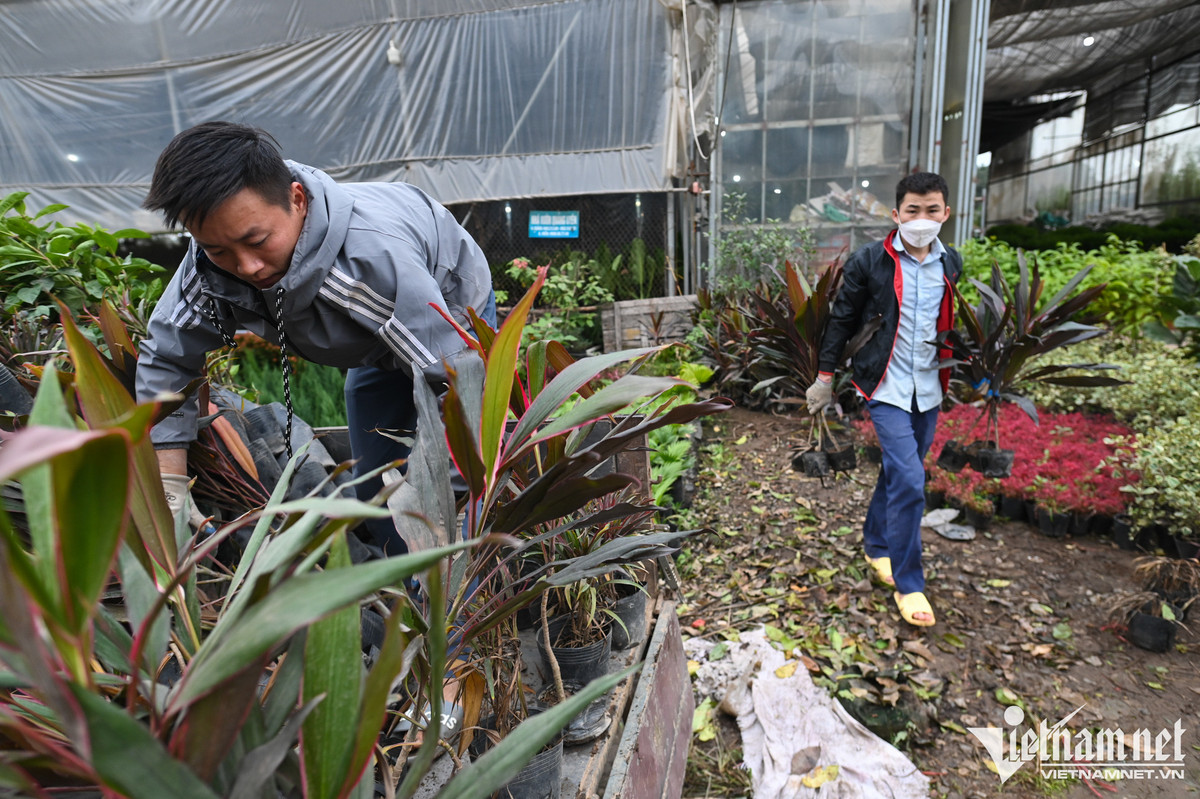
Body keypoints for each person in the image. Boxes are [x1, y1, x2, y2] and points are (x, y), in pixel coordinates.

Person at [136, 121, 496, 557]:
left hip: (446, 299)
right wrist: (169, 484)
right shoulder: (207, 267)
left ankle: (456, 605)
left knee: (452, 495)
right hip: (373, 342)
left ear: (297, 200)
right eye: (219, 250)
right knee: (374, 488)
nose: (246, 266)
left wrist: (450, 500)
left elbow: (458, 382)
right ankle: (395, 589)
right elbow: (168, 358)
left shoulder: (371, 267)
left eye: (257, 240)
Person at [805, 172, 962, 628]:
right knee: (912, 480)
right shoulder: (870, 261)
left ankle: (876, 544)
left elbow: (950, 321)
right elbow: (841, 320)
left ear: (945, 214)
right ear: (896, 214)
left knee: (899, 472)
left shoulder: (951, 263)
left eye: (932, 210)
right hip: (886, 386)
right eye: (913, 210)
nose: (922, 219)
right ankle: (910, 583)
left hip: (929, 387)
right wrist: (825, 376)